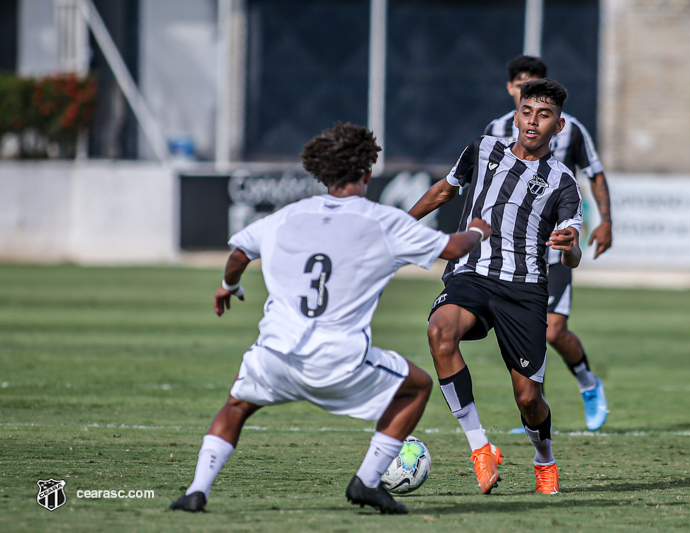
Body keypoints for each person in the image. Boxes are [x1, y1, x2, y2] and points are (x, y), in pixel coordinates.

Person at [169, 122, 491, 515]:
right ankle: (367, 482)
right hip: (339, 359)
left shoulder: (286, 216)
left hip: (276, 353)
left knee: (236, 406)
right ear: (368, 172)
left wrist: (228, 285)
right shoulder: (383, 221)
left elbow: (238, 254)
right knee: (417, 387)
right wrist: (476, 229)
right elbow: (456, 248)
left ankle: (196, 491)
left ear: (320, 173)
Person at [408, 79, 583, 495]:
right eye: (527, 112)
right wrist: (394, 228)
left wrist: (571, 246)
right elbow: (443, 191)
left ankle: (544, 459)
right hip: (470, 273)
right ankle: (480, 447)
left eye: (544, 116)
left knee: (528, 399)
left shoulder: (562, 182)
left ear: (558, 127)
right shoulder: (482, 148)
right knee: (440, 332)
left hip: (523, 290)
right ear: (516, 113)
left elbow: (572, 252)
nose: (533, 122)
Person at [485, 55, 611, 432]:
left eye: (537, 81)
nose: (529, 87)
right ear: (511, 88)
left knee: (553, 331)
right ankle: (532, 412)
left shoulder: (569, 128)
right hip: (509, 254)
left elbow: (595, 173)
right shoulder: (494, 129)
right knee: (515, 334)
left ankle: (589, 384)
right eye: (522, 82)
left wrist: (606, 222)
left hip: (553, 252)